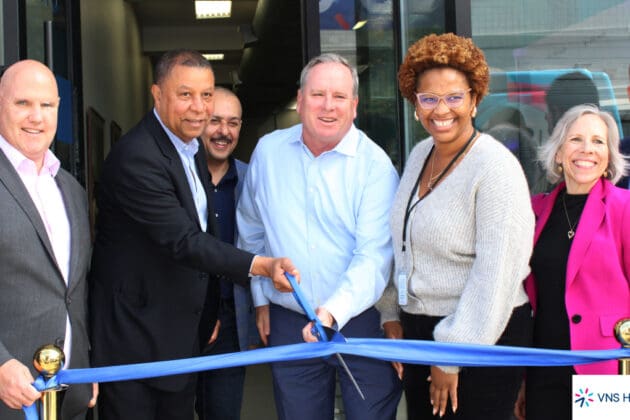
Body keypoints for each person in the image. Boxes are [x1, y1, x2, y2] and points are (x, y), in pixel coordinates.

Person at [89, 49, 298, 420]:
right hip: (136, 342)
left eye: (205, 96)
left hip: (180, 333)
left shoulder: (189, 150)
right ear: (157, 95)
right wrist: (262, 265)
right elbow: (184, 240)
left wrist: (207, 310)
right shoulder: (138, 156)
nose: (198, 107)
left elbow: (205, 229)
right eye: (185, 95)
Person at [377, 33, 535, 419]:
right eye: (428, 98)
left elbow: (496, 275)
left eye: (454, 97)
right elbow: (404, 242)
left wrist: (452, 355)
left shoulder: (495, 168)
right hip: (422, 329)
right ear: (415, 105)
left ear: (475, 100)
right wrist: (391, 312)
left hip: (482, 335)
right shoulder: (419, 155)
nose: (440, 109)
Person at [237, 53, 402, 420]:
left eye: (340, 97)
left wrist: (330, 313)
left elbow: (374, 258)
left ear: (354, 106)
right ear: (300, 99)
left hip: (360, 321)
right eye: (318, 94)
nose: (328, 106)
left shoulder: (375, 168)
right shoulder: (268, 152)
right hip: (289, 318)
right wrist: (261, 298)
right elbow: (251, 227)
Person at [513, 104, 630, 420]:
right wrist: (523, 378)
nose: (587, 149)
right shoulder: (535, 210)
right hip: (544, 365)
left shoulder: (624, 208)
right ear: (559, 153)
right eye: (576, 139)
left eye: (598, 141)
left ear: (608, 156)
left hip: (604, 368)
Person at [0, 60, 97, 419]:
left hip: (66, 398)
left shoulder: (70, 189)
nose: (36, 117)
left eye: (47, 105)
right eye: (22, 103)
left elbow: (74, 290)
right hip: (8, 399)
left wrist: (86, 362)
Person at [195, 87, 254, 420]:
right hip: (182, 317)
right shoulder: (178, 176)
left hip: (232, 321)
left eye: (232, 123)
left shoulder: (252, 179)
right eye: (215, 120)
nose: (223, 132)